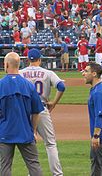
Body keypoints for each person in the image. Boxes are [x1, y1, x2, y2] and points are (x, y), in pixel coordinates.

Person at [19, 48, 65, 176]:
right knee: (50, 143)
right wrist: (54, 103)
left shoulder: (20, 73)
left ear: (28, 60)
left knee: (29, 143)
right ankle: (57, 174)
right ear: (40, 59)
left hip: (25, 111)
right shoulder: (47, 72)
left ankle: (32, 173)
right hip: (41, 108)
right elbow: (62, 86)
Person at [0, 52, 44, 176]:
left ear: (7, 64)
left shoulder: (0, 85)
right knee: (34, 165)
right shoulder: (28, 85)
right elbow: (36, 112)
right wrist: (33, 130)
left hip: (5, 132)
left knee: (5, 166)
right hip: (25, 132)